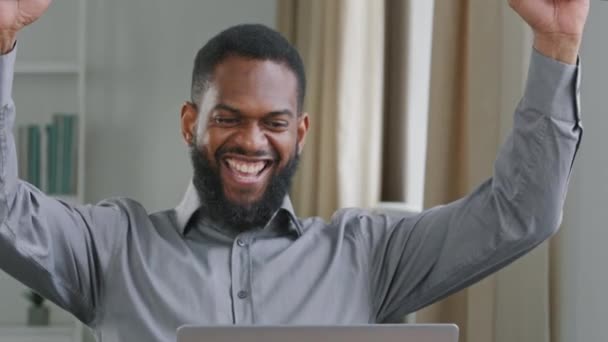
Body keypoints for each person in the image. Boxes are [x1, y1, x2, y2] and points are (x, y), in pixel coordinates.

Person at [0, 0, 587, 341]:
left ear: (299, 132)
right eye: (228, 118)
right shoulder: (111, 249)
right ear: (189, 123)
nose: (252, 141)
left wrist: (557, 45)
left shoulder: (367, 257)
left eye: (273, 122)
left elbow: (520, 214)